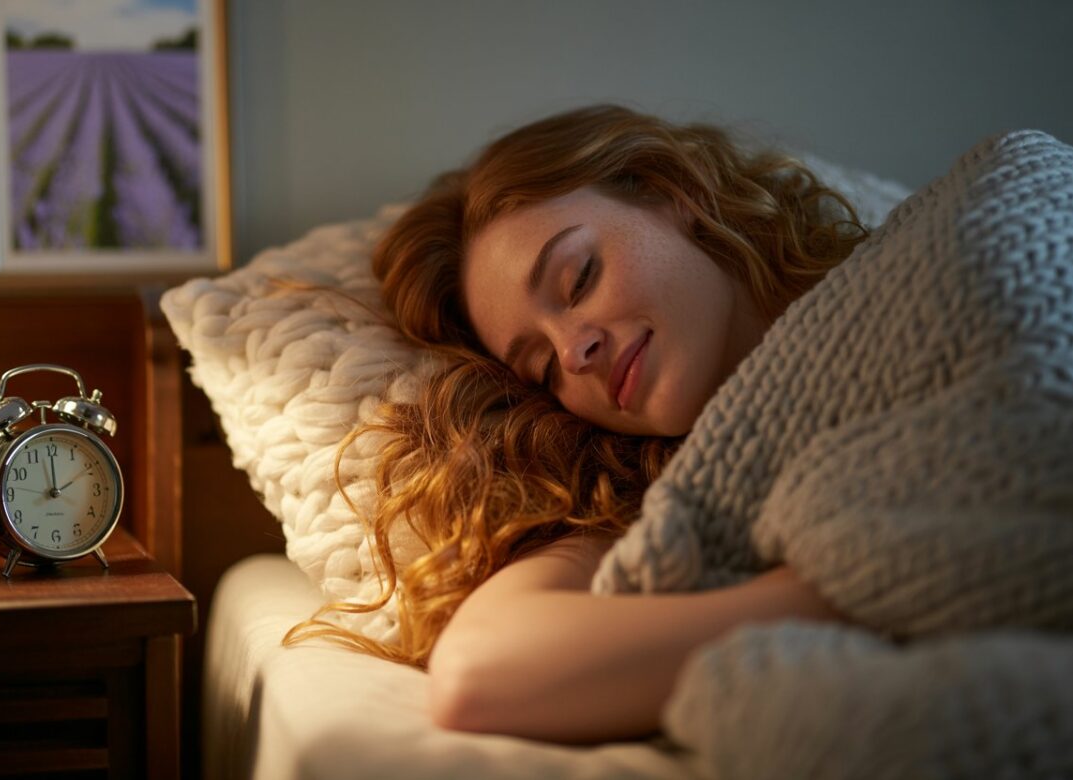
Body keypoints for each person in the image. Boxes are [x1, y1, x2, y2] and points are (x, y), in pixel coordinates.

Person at [285, 104, 869, 743]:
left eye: (579, 277)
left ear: (676, 194)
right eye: (540, 367)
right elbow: (479, 673)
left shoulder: (921, 270)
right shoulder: (667, 497)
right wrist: (837, 593)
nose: (573, 353)